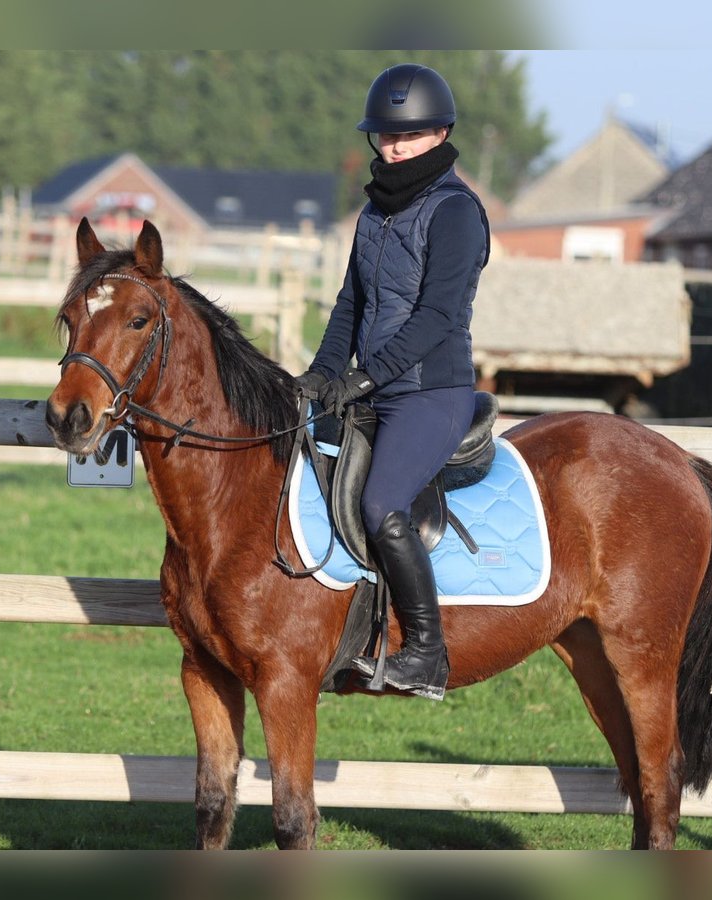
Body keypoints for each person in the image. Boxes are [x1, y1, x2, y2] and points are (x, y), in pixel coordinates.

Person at [294, 63, 490, 701]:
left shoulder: (457, 211)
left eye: (409, 135)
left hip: (432, 393)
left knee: (381, 505)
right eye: (385, 135)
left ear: (440, 133)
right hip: (373, 387)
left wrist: (368, 374)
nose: (394, 146)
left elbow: (439, 316)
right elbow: (350, 304)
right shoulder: (373, 215)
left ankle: (427, 652)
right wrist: (323, 373)